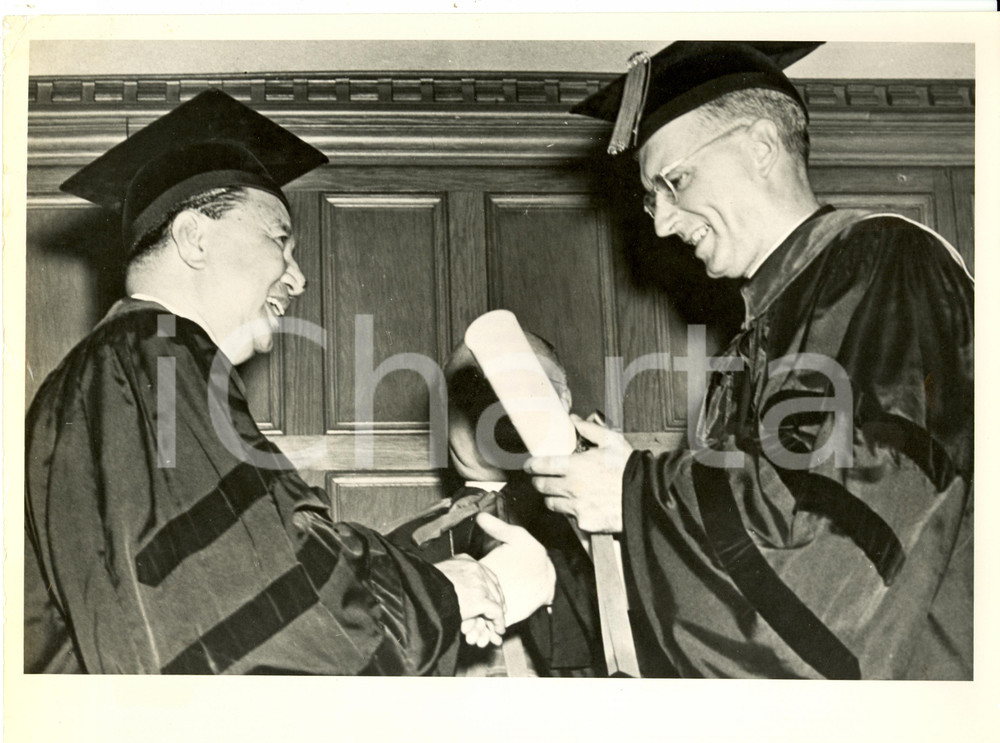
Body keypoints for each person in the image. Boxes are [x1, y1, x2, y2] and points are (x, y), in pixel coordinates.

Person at [24, 88, 553, 675]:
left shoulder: (132, 365)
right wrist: (445, 595)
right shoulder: (151, 360)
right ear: (195, 238)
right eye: (279, 241)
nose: (298, 279)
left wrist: (439, 587)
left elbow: (267, 559)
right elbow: (246, 612)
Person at [525, 41, 974, 679]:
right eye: (653, 199)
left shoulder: (881, 265)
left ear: (761, 147)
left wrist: (634, 493)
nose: (660, 225)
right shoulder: (756, 336)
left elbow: (835, 542)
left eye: (673, 182)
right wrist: (618, 507)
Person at [385, 335, 604, 677]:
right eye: (467, 390)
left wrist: (555, 589)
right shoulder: (397, 548)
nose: (490, 406)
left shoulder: (619, 527)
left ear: (561, 400)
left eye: (515, 384)